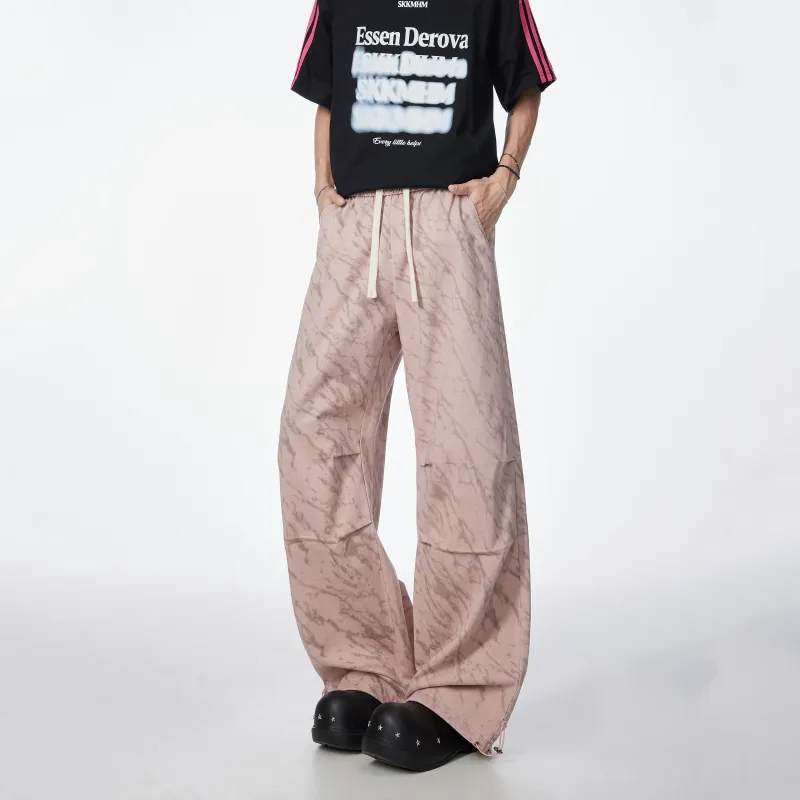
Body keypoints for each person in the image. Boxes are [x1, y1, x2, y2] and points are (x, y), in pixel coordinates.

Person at [279, 0, 555, 772]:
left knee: (467, 446)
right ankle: (364, 663)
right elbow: (329, 92)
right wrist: (323, 193)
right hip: (354, 226)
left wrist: (503, 180)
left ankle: (460, 690)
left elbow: (526, 85)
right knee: (315, 435)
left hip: (447, 222)